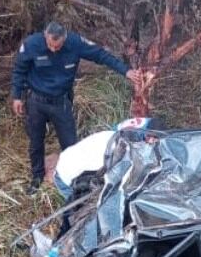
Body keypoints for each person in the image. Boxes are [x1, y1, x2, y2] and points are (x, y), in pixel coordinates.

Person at [11, 22, 143, 195]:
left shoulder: (75, 43)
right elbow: (19, 70)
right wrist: (16, 96)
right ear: (45, 36)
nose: (53, 49)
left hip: (61, 102)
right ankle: (37, 176)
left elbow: (101, 55)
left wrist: (126, 71)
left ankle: (74, 181)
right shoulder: (32, 44)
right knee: (36, 141)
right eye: (50, 45)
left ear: (65, 38)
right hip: (36, 100)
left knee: (71, 145)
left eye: (57, 46)